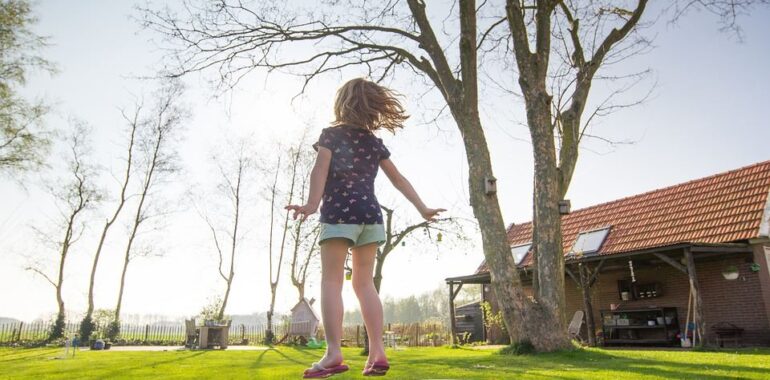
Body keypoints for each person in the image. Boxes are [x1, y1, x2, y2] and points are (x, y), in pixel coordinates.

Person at [286, 78, 444, 378]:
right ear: (371, 108)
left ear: (342, 103)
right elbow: (398, 179)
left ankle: (333, 353)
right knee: (364, 284)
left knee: (331, 281)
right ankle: (378, 352)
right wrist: (422, 208)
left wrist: (310, 205)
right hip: (371, 216)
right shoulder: (374, 142)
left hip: (339, 216)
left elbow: (319, 169)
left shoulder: (330, 136)